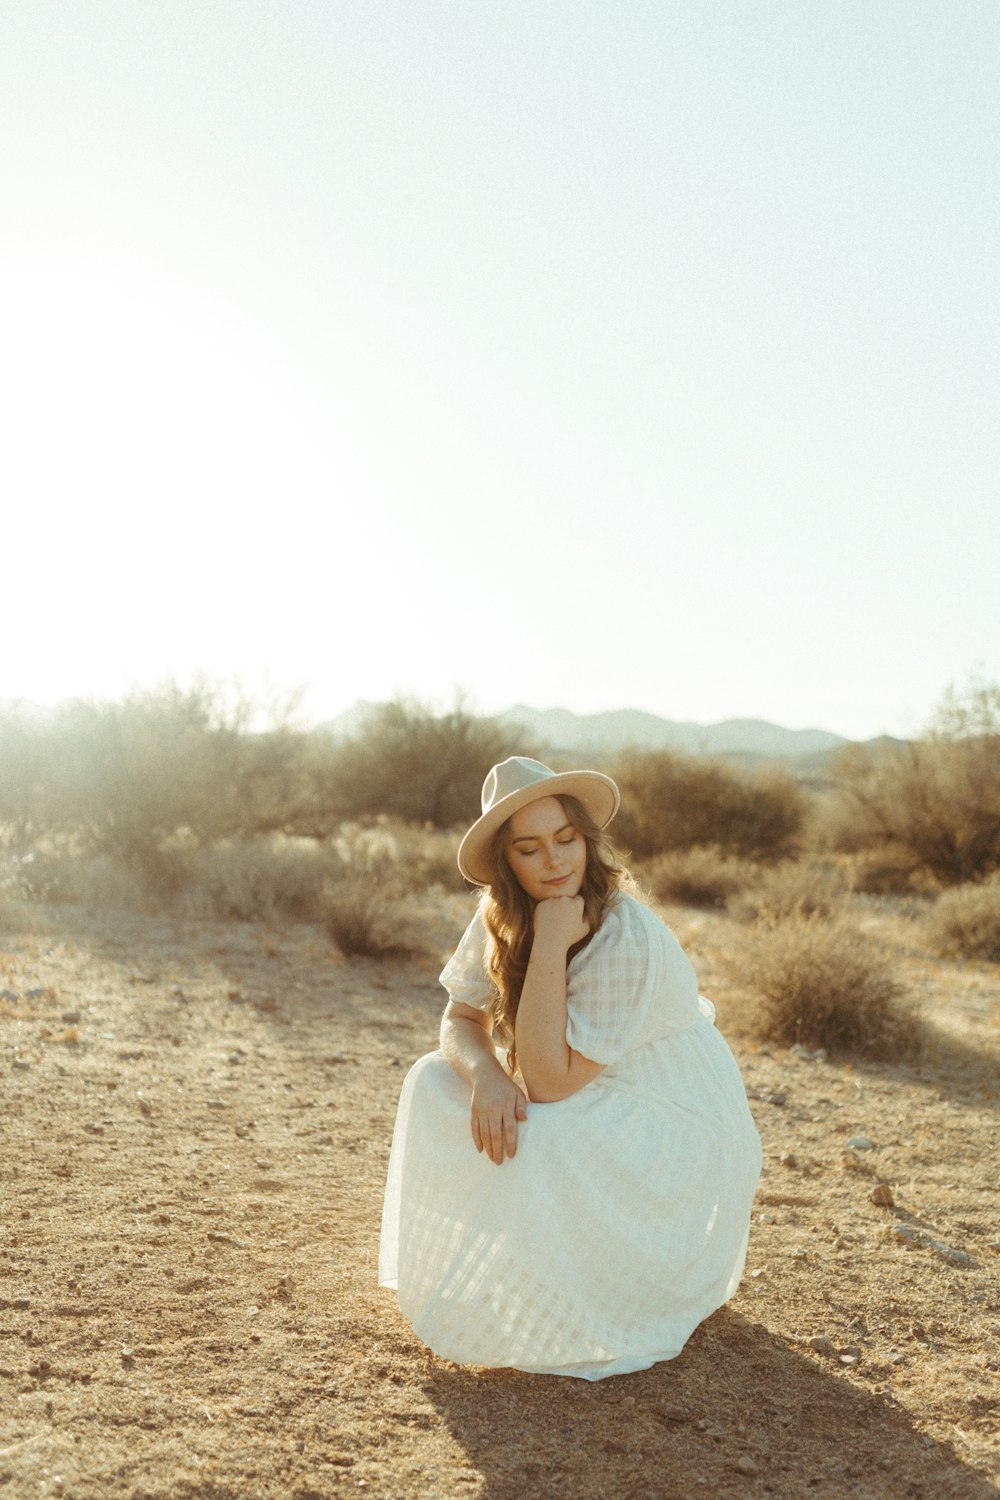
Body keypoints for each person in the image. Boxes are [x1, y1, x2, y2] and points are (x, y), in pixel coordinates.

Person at [379, 756, 762, 1380]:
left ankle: (589, 1286)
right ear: (508, 864)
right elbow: (460, 1019)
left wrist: (554, 941)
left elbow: (551, 1087)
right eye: (530, 850)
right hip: (582, 1086)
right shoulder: (499, 914)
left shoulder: (623, 931)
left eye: (566, 840)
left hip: (670, 1120)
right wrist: (487, 1075)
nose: (556, 862)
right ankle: (495, 1261)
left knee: (544, 1125)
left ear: (587, 839)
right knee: (432, 1080)